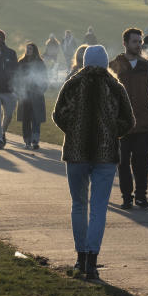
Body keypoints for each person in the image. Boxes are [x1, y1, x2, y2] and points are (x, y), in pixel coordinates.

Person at [52, 45, 134, 279]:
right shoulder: (114, 86)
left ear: (84, 61)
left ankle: (79, 257)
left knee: (78, 205)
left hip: (76, 154)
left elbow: (58, 114)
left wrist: (74, 131)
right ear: (106, 62)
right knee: (99, 208)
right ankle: (92, 260)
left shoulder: (72, 83)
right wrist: (111, 131)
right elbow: (129, 120)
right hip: (105, 154)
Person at [110, 28, 148, 209]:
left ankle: (141, 196)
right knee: (123, 163)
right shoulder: (115, 66)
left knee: (142, 162)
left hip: (144, 123)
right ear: (126, 43)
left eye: (140, 42)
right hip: (122, 124)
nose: (138, 45)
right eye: (135, 41)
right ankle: (126, 197)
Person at [16, 42, 48, 150]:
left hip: (36, 95)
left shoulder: (40, 63)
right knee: (26, 119)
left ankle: (35, 140)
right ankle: (27, 141)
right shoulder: (21, 62)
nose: (28, 50)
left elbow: (44, 79)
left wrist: (41, 90)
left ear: (34, 50)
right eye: (27, 48)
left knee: (36, 118)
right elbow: (17, 78)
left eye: (30, 49)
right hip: (24, 95)